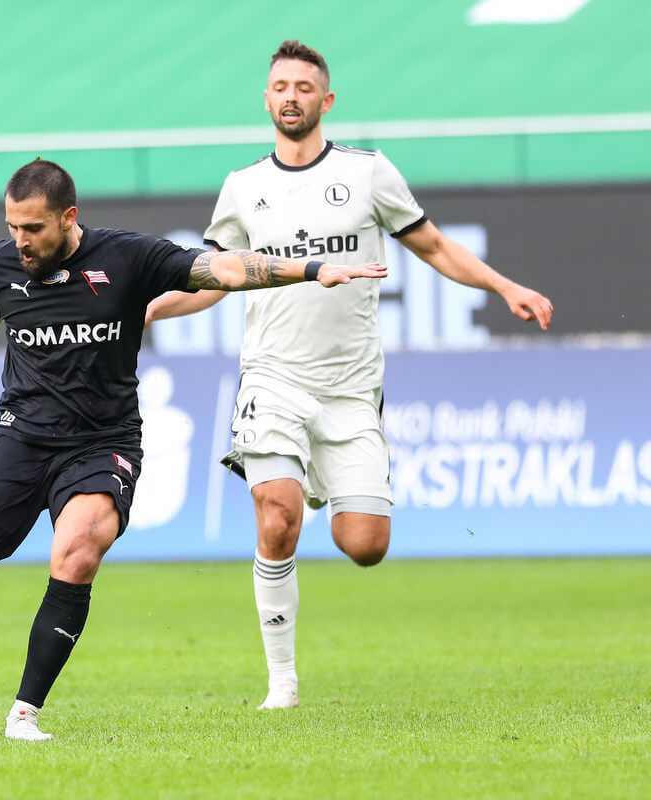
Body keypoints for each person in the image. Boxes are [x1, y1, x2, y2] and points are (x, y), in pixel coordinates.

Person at [0, 158, 386, 740]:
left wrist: (312, 269)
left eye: (33, 229)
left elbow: (227, 269)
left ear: (68, 217)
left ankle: (23, 714)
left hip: (102, 443)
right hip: (19, 438)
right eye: (13, 227)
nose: (21, 241)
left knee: (78, 548)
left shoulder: (127, 258)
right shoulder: (0, 265)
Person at [145, 40, 554, 711]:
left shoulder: (369, 174)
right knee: (275, 517)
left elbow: (435, 245)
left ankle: (312, 483)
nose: (291, 97)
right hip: (273, 379)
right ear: (266, 98)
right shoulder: (244, 188)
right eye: (280, 86)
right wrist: (148, 313)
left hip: (349, 389)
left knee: (363, 545)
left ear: (326, 101)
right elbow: (214, 278)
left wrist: (505, 287)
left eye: (305, 87)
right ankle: (282, 682)